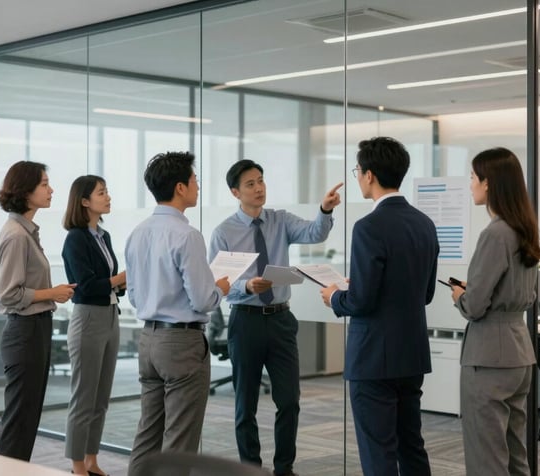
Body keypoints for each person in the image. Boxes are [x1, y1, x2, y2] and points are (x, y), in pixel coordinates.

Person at [209, 159, 342, 476]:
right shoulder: (223, 232)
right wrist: (246, 285)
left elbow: (314, 233)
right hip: (246, 320)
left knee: (289, 401)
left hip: (281, 320)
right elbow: (217, 285)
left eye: (261, 180)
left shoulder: (280, 220)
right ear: (235, 192)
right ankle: (250, 468)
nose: (259, 188)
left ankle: (285, 468)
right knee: (246, 404)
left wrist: (324, 210)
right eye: (250, 184)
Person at [320, 137, 438, 476]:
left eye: (358, 171)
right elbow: (425, 293)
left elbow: (361, 300)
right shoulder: (424, 224)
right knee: (411, 446)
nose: (357, 177)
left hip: (373, 358)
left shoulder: (369, 227)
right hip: (411, 353)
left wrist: (335, 298)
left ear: (369, 175)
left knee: (378, 452)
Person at [124, 151, 230, 476]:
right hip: (182, 344)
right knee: (180, 441)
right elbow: (202, 299)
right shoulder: (187, 235)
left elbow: (133, 293)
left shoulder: (137, 232)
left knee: (148, 434)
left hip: (148, 339)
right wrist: (221, 287)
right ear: (181, 187)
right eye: (196, 181)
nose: (199, 186)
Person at [449, 147, 540, 476]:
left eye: (473, 177)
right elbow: (527, 295)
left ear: (489, 184)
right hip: (519, 352)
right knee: (516, 453)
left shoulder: (494, 234)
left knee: (486, 456)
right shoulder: (524, 230)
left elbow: (475, 306)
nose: (470, 184)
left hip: (488, 355)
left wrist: (461, 294)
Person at [0, 160, 76, 461]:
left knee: (26, 419)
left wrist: (50, 295)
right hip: (24, 331)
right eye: (44, 183)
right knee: (19, 421)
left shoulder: (25, 231)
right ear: (25, 190)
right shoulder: (16, 235)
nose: (51, 189)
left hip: (35, 328)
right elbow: (7, 294)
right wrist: (51, 293)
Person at [62, 175, 126, 476]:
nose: (108, 197)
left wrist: (120, 283)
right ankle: (77, 466)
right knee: (84, 398)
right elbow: (85, 286)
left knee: (101, 398)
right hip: (88, 317)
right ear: (85, 201)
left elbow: (109, 282)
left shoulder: (104, 236)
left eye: (107, 191)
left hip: (111, 316)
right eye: (102, 193)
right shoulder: (76, 238)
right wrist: (119, 279)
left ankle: (91, 460)